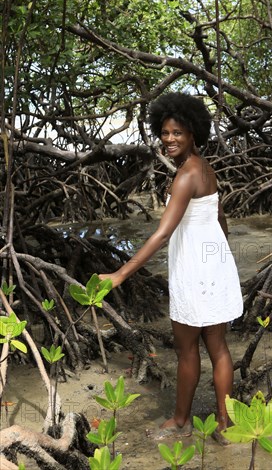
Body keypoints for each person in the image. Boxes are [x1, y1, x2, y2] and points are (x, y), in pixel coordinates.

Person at [99, 92, 243, 443]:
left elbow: (163, 234)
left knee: (187, 349)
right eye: (164, 133)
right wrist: (221, 256)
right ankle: (225, 425)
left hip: (195, 271)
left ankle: (181, 420)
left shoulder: (184, 177)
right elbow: (219, 217)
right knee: (219, 346)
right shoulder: (204, 169)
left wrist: (120, 273)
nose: (169, 139)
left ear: (193, 132)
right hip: (215, 265)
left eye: (177, 132)